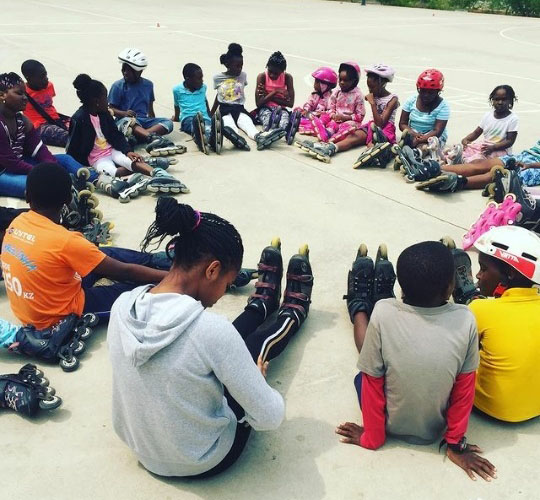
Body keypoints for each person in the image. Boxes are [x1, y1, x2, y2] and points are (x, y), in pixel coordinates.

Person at [108, 197, 314, 478]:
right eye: (226, 285)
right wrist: (257, 380)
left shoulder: (123, 306)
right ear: (212, 270)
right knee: (253, 349)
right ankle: (291, 314)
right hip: (204, 458)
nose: (222, 294)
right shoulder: (212, 331)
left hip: (144, 451)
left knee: (217, 344)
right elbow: (270, 417)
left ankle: (260, 306)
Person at [336, 241, 497, 482]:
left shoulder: (383, 311)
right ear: (449, 288)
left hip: (388, 424)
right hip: (434, 429)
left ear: (401, 287)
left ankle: (359, 303)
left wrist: (372, 437)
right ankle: (368, 300)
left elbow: (372, 382)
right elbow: (464, 391)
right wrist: (455, 445)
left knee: (364, 372)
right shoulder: (466, 319)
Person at [0, 162, 172, 332]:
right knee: (141, 291)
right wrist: (171, 278)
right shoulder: (65, 240)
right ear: (68, 199)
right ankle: (172, 273)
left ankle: (156, 260)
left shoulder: (17, 223)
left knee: (99, 254)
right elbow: (125, 271)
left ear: (27, 196)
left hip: (34, 307)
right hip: (59, 316)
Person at [67, 74, 188, 197]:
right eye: (105, 98)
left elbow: (115, 135)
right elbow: (72, 148)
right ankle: (139, 173)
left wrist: (128, 151)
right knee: (114, 172)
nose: (108, 101)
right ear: (96, 101)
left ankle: (158, 173)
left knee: (130, 160)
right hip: (96, 159)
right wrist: (80, 168)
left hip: (112, 150)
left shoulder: (104, 114)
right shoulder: (79, 119)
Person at [470, 226, 540, 423]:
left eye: (483, 268)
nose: (478, 276)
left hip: (490, 407)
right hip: (535, 408)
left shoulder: (480, 309)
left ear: (509, 273)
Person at [0, 72, 87, 198]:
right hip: (3, 171)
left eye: (25, 94)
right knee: (37, 185)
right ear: (2, 95)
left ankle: (102, 181)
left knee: (65, 160)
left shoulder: (22, 120)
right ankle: (68, 195)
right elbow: (10, 162)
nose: (25, 98)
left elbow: (40, 150)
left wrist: (54, 168)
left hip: (19, 162)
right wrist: (45, 173)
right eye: (19, 93)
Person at [298, 64, 398, 164]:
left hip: (385, 128)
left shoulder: (392, 99)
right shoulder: (372, 95)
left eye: (372, 87)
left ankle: (379, 154)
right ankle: (330, 148)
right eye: (369, 87)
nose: (370, 90)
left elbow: (380, 124)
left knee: (374, 142)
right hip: (371, 125)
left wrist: (372, 103)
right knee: (353, 137)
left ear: (383, 83)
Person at [412, 140, 540, 194]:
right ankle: (433, 170)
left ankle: (458, 183)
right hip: (527, 155)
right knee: (480, 165)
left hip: (536, 168)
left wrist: (530, 165)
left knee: (498, 175)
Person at [109, 48, 174, 148]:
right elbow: (110, 109)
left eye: (129, 70)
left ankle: (139, 136)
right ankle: (151, 138)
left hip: (143, 120)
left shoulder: (148, 85)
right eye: (124, 69)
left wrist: (152, 119)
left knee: (168, 123)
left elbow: (150, 107)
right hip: (125, 121)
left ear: (139, 72)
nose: (125, 73)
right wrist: (124, 113)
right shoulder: (117, 86)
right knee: (129, 121)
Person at [447, 85, 518, 165]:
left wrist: (493, 147)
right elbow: (476, 132)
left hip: (500, 149)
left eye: (504, 99)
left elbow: (510, 141)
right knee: (469, 149)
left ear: (510, 101)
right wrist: (466, 139)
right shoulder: (488, 115)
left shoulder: (512, 119)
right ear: (492, 100)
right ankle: (457, 158)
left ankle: (465, 162)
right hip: (486, 146)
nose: (500, 102)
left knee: (480, 158)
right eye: (497, 99)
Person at [211, 43, 259, 146]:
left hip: (238, 108)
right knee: (229, 126)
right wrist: (212, 112)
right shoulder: (217, 78)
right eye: (237, 66)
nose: (239, 69)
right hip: (224, 109)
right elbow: (218, 95)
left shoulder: (243, 76)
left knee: (248, 123)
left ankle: (259, 137)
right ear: (227, 64)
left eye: (241, 66)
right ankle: (236, 139)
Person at [20, 59, 70, 147]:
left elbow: (48, 106)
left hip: (55, 119)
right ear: (29, 78)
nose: (46, 79)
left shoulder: (49, 86)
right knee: (67, 138)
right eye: (41, 77)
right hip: (39, 126)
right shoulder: (22, 93)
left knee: (81, 125)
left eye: (45, 75)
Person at [398, 68, 449, 154]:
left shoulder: (443, 106)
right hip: (413, 133)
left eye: (430, 92)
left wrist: (421, 139)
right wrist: (414, 134)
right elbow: (402, 124)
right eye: (423, 91)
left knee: (425, 147)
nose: (426, 95)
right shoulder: (411, 100)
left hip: (433, 136)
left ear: (438, 91)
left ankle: (417, 153)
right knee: (405, 142)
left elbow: (437, 131)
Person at [254, 51, 295, 149]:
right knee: (267, 120)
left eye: (276, 73)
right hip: (265, 108)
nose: (272, 75)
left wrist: (268, 95)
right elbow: (259, 103)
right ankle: (268, 133)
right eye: (270, 71)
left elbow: (290, 103)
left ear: (282, 71)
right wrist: (275, 92)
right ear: (267, 67)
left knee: (283, 121)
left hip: (281, 109)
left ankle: (288, 130)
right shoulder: (262, 77)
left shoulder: (287, 77)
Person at [297, 66, 338, 136]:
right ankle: (299, 122)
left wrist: (321, 113)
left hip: (320, 117)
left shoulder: (331, 97)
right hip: (311, 114)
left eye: (316, 82)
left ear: (324, 85)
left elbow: (330, 110)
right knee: (298, 110)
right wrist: (306, 109)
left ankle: (315, 127)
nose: (314, 84)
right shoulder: (315, 94)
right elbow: (309, 103)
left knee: (325, 117)